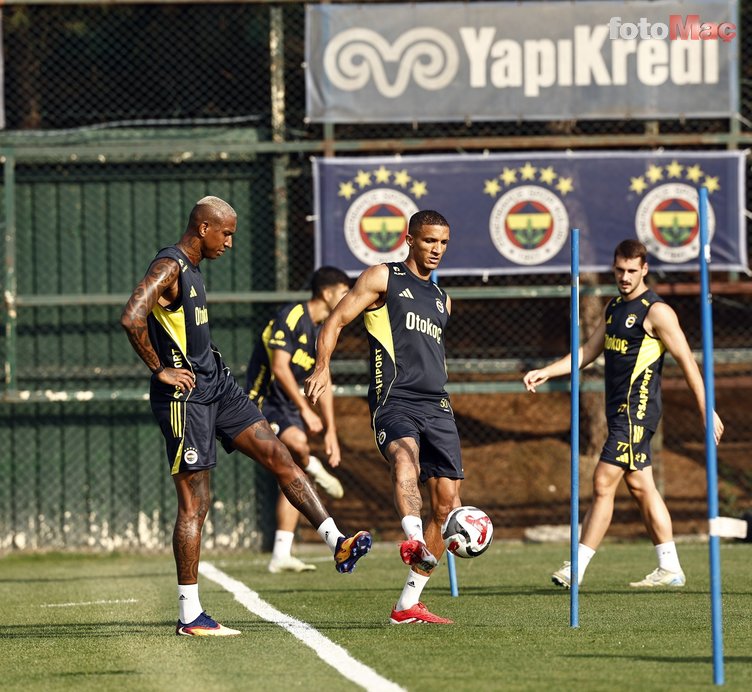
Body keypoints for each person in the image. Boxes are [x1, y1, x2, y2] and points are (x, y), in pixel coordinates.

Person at [120, 196, 371, 637]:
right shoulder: (170, 266)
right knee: (195, 505)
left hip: (220, 387)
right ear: (203, 228)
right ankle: (190, 615)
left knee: (280, 456)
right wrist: (160, 368)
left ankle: (337, 541)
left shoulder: (193, 270)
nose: (230, 242)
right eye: (226, 233)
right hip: (187, 398)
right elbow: (132, 316)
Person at [523, 239, 724, 589]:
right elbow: (588, 350)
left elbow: (687, 362)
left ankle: (576, 567)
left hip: (637, 412)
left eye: (632, 270)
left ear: (644, 269)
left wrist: (707, 410)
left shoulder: (656, 312)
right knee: (641, 485)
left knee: (603, 481)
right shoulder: (614, 307)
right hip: (618, 413)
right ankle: (670, 567)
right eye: (620, 270)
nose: (625, 277)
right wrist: (548, 371)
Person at [306, 209, 461, 625]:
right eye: (429, 241)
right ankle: (413, 539)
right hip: (395, 398)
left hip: (438, 406)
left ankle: (408, 604)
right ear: (410, 239)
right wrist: (322, 366)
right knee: (404, 457)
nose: (437, 249)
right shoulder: (383, 277)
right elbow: (335, 321)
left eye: (443, 243)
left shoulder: (442, 299)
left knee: (447, 506)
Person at [246, 266, 351, 573]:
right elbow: (279, 367)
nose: (349, 298)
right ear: (327, 293)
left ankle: (281, 554)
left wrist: (331, 430)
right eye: (344, 292)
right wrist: (306, 410)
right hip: (263, 400)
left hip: (288, 406)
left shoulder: (324, 330)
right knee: (298, 444)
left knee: (291, 473)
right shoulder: (292, 316)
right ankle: (312, 465)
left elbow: (323, 379)